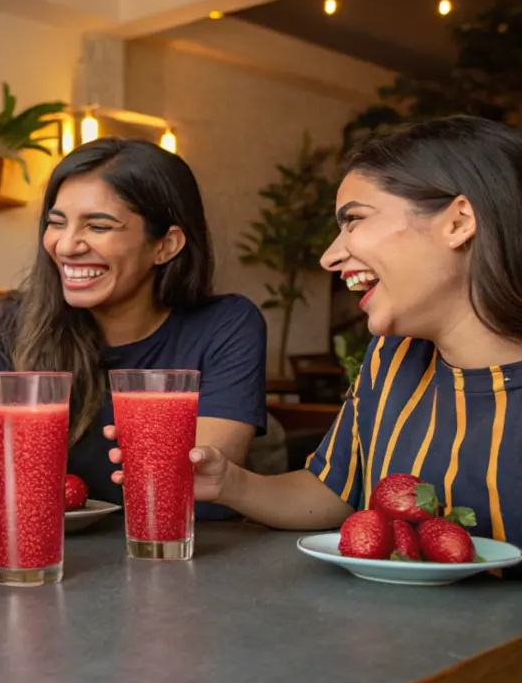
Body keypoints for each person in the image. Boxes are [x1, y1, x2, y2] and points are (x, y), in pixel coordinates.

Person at [109, 116, 522, 560]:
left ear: (458, 222)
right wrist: (228, 483)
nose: (330, 257)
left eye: (355, 220)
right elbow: (331, 493)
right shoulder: (394, 358)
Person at [0, 137, 270, 513]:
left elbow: (196, 487)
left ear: (166, 245)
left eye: (98, 226)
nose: (67, 245)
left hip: (191, 558)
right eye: (56, 223)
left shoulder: (227, 326)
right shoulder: (4, 327)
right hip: (57, 560)